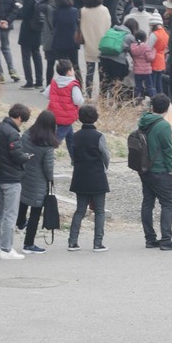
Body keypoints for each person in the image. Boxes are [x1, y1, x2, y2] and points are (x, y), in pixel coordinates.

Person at [0, 101, 32, 261]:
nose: (22, 123)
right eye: (22, 120)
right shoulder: (12, 134)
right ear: (19, 117)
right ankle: (6, 248)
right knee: (10, 214)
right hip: (12, 178)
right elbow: (17, 155)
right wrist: (26, 157)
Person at [136, 93, 172, 251]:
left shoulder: (143, 121)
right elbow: (168, 150)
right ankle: (166, 239)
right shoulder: (164, 126)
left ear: (152, 107)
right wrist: (170, 170)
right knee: (167, 204)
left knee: (147, 203)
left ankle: (150, 238)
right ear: (167, 108)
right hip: (160, 170)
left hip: (144, 168)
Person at [67, 103, 109, 251]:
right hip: (97, 176)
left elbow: (73, 156)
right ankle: (98, 243)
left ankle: (72, 241)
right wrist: (104, 168)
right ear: (95, 118)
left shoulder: (75, 136)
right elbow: (106, 155)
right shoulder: (99, 136)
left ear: (80, 118)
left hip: (80, 176)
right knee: (99, 211)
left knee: (80, 210)